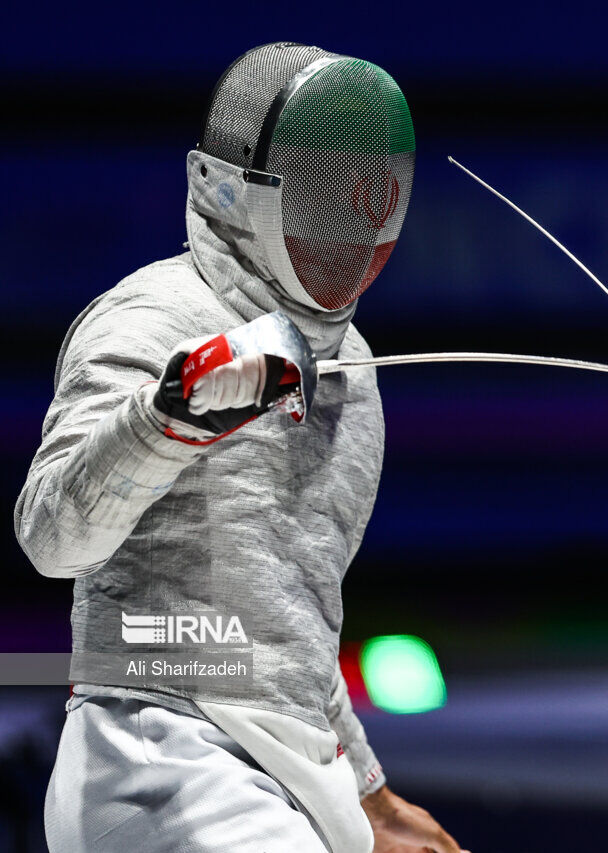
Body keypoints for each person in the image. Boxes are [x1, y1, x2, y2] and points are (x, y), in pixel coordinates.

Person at [15, 42, 465, 853]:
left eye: (370, 188)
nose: (356, 216)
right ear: (232, 189)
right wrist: (171, 414)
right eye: (327, 189)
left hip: (296, 775)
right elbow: (51, 536)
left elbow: (289, 621)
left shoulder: (352, 368)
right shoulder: (153, 319)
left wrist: (371, 796)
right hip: (159, 753)